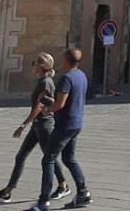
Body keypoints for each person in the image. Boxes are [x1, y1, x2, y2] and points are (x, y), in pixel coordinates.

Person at [0, 54, 70, 203]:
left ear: (41, 66)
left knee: (49, 158)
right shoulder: (44, 81)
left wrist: (23, 125)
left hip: (44, 125)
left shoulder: (45, 83)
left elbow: (39, 106)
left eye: (34, 63)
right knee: (22, 157)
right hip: (38, 125)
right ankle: (7, 192)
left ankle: (63, 185)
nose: (32, 66)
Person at [31, 48, 92, 211]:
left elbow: (60, 104)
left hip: (64, 124)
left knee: (48, 159)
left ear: (66, 60)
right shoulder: (81, 75)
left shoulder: (66, 78)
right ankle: (83, 193)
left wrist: (46, 109)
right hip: (77, 123)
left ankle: (43, 201)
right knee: (69, 158)